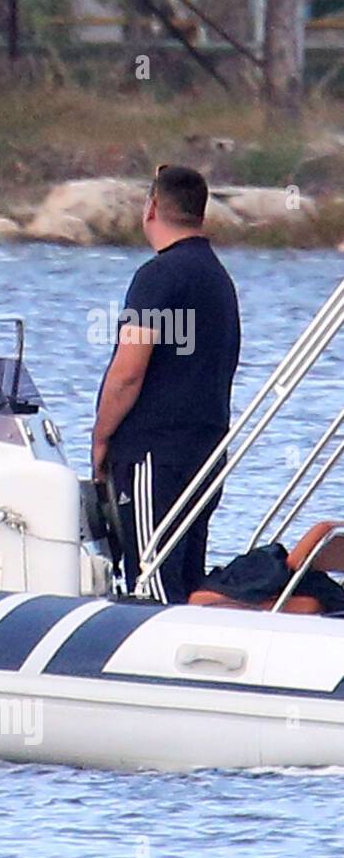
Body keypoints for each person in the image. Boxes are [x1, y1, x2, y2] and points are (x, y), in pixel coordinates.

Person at [92, 164, 241, 604]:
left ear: (152, 207)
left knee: (150, 578)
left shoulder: (158, 277)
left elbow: (129, 370)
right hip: (207, 448)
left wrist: (101, 437)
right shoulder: (217, 279)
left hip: (155, 453)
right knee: (187, 573)